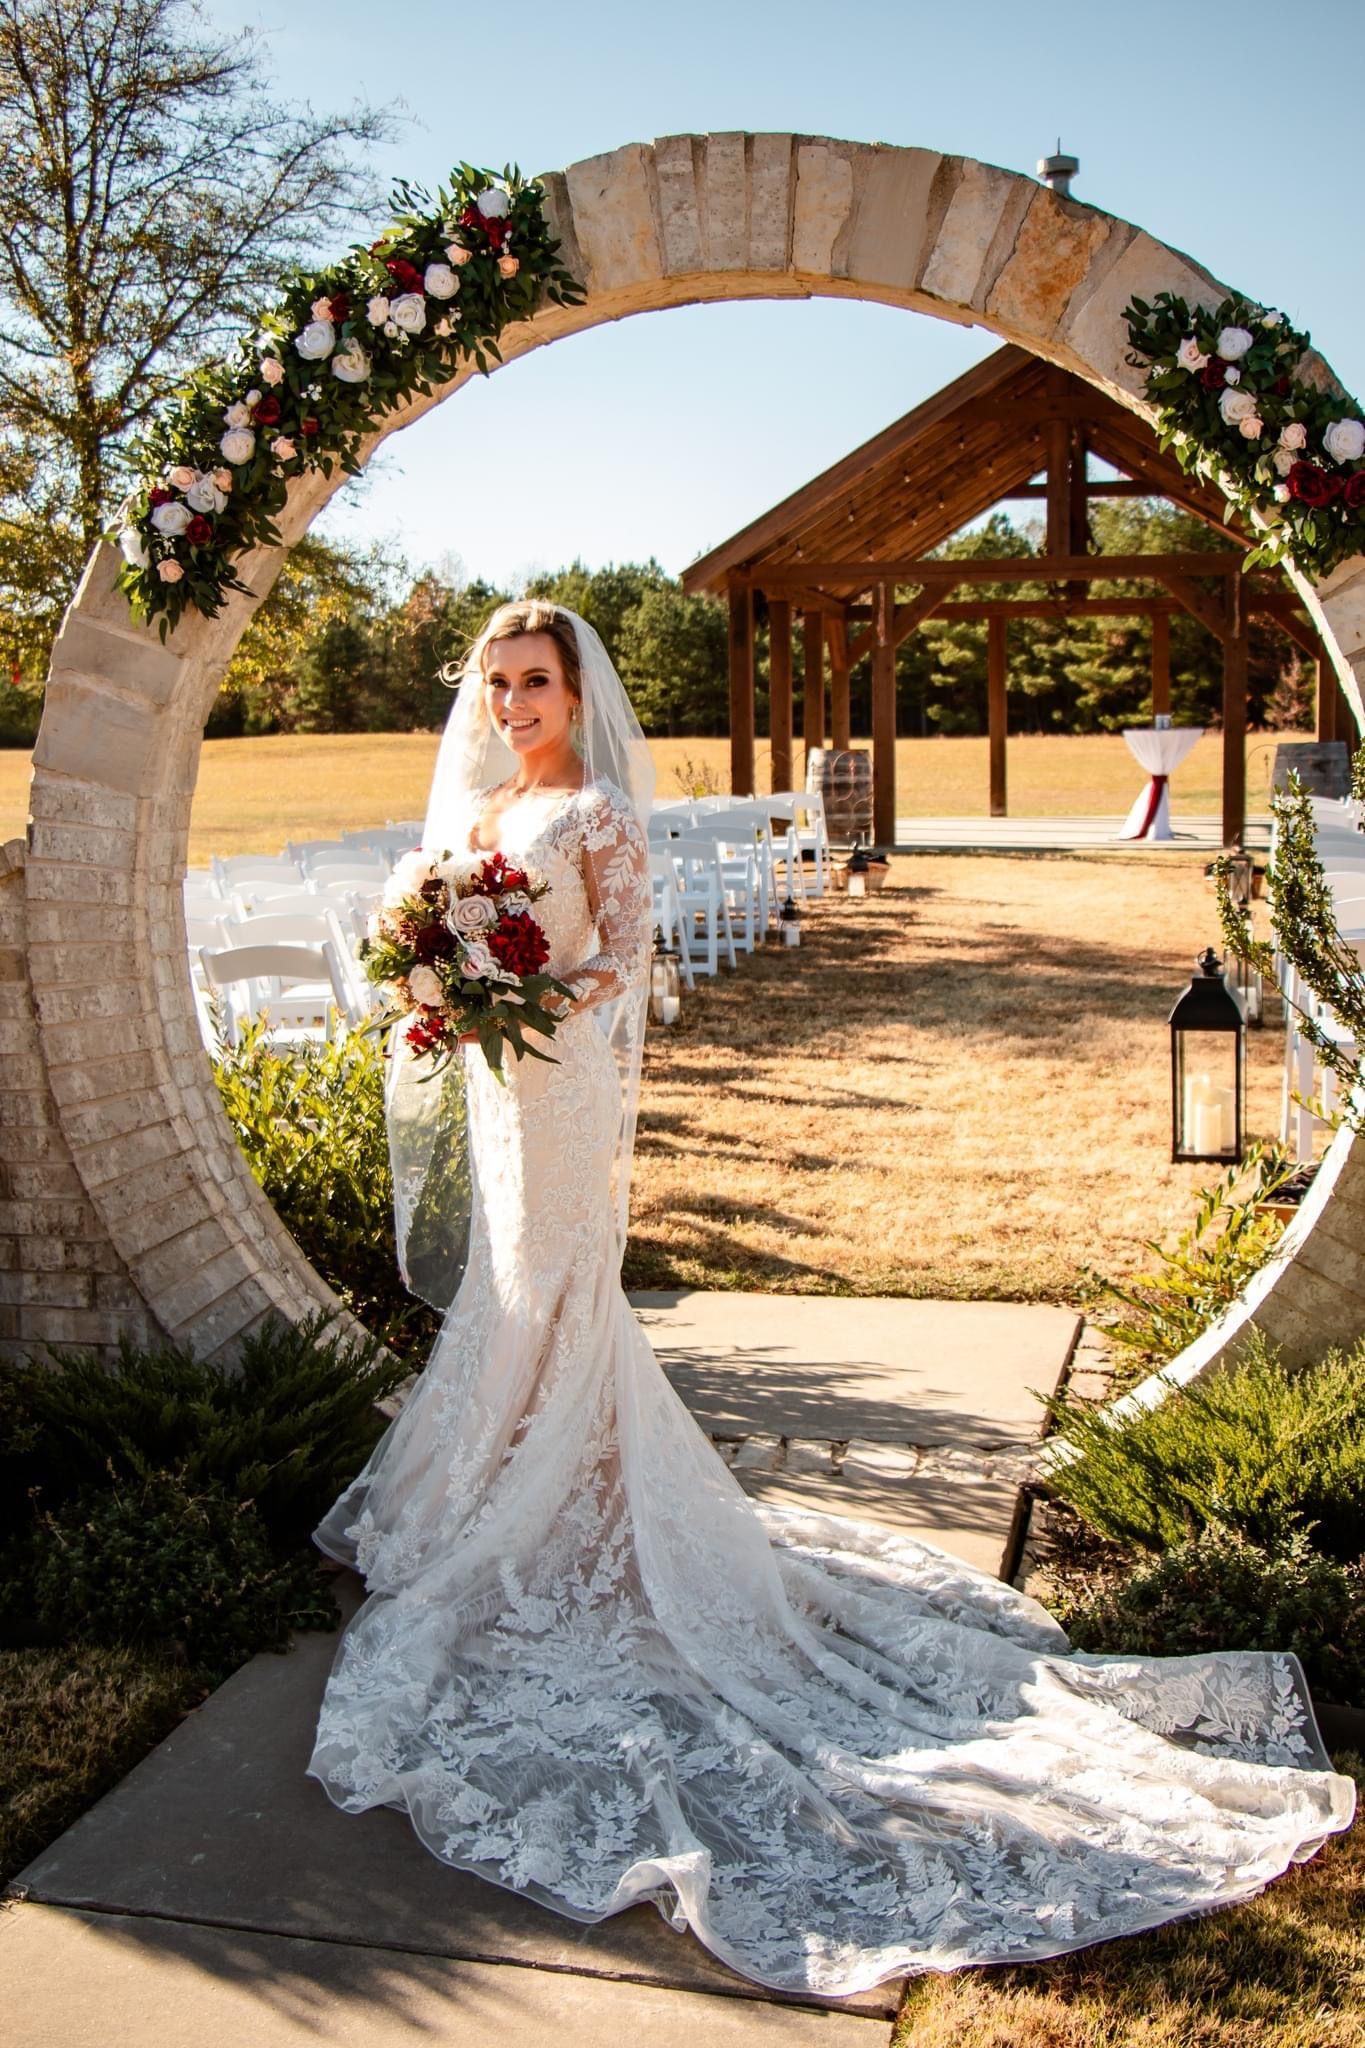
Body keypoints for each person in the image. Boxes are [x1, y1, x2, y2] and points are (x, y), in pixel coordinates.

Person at [307, 601, 1355, 2002]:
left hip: (557, 1095)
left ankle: (556, 1497)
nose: (513, 703)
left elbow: (627, 963)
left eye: (535, 682)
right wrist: (445, 975)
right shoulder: (490, 801)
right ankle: (510, 1482)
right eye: (497, 683)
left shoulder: (599, 815)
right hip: (501, 1094)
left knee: (559, 1294)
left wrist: (523, 995)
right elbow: (452, 928)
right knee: (512, 1292)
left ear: (574, 689)